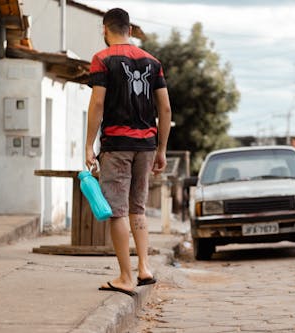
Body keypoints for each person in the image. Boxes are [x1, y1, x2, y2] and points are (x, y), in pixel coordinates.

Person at [85, 8, 172, 296]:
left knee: (117, 211)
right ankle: (144, 268)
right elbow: (166, 109)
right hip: (146, 146)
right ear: (131, 30)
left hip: (117, 145)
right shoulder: (153, 62)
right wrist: (161, 149)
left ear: (104, 30)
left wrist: (88, 144)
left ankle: (125, 276)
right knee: (138, 207)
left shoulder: (102, 59)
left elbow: (98, 104)